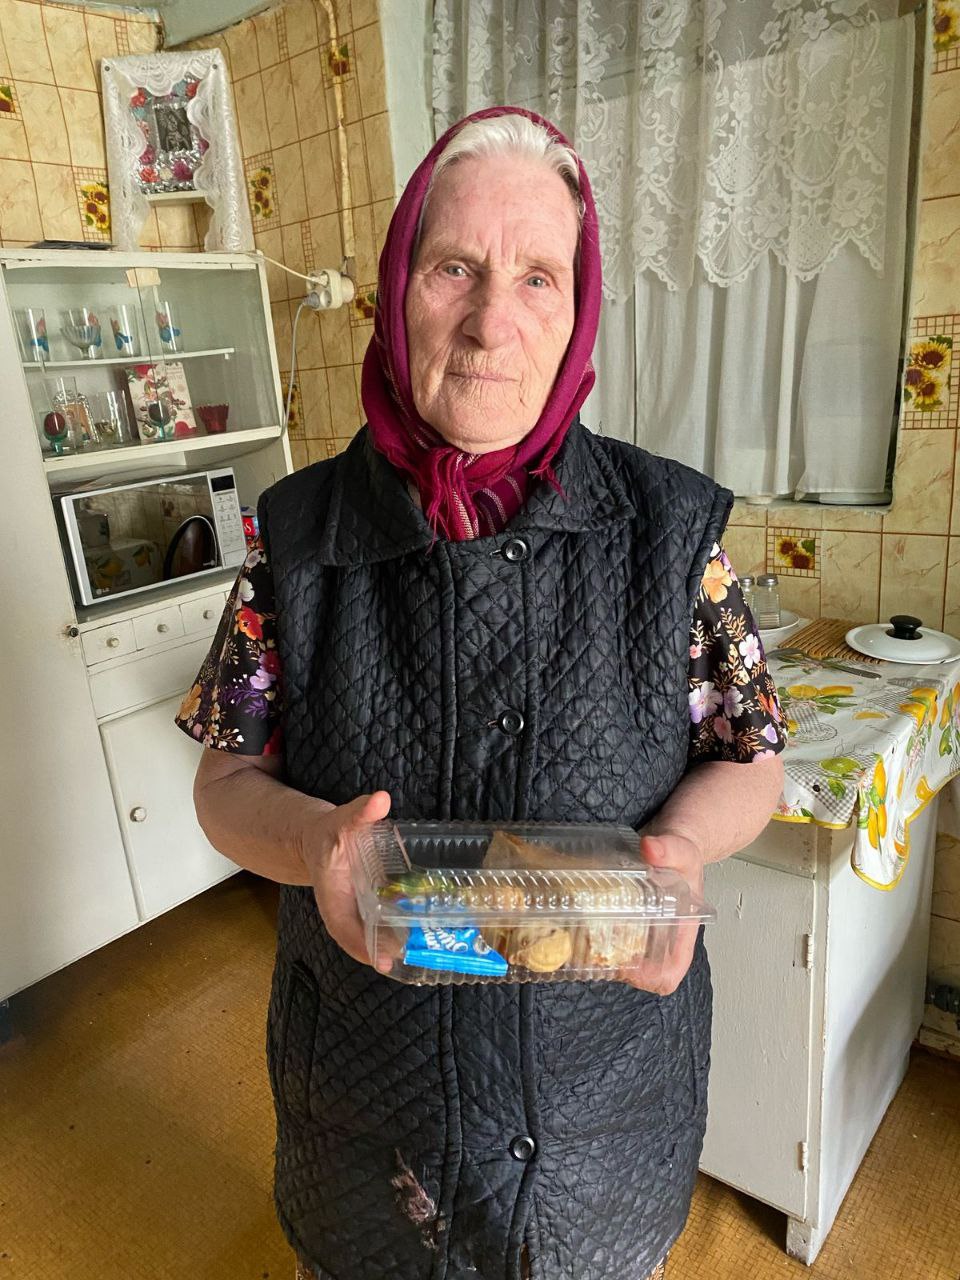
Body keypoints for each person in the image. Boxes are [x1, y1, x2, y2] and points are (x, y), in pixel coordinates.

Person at [177, 106, 786, 1280]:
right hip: (369, 1121)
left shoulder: (669, 532)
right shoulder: (299, 537)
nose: (492, 321)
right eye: (454, 266)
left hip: (603, 1122)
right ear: (397, 289)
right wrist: (314, 843)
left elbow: (750, 754)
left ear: (579, 307)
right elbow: (225, 779)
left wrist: (679, 847)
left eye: (538, 277)